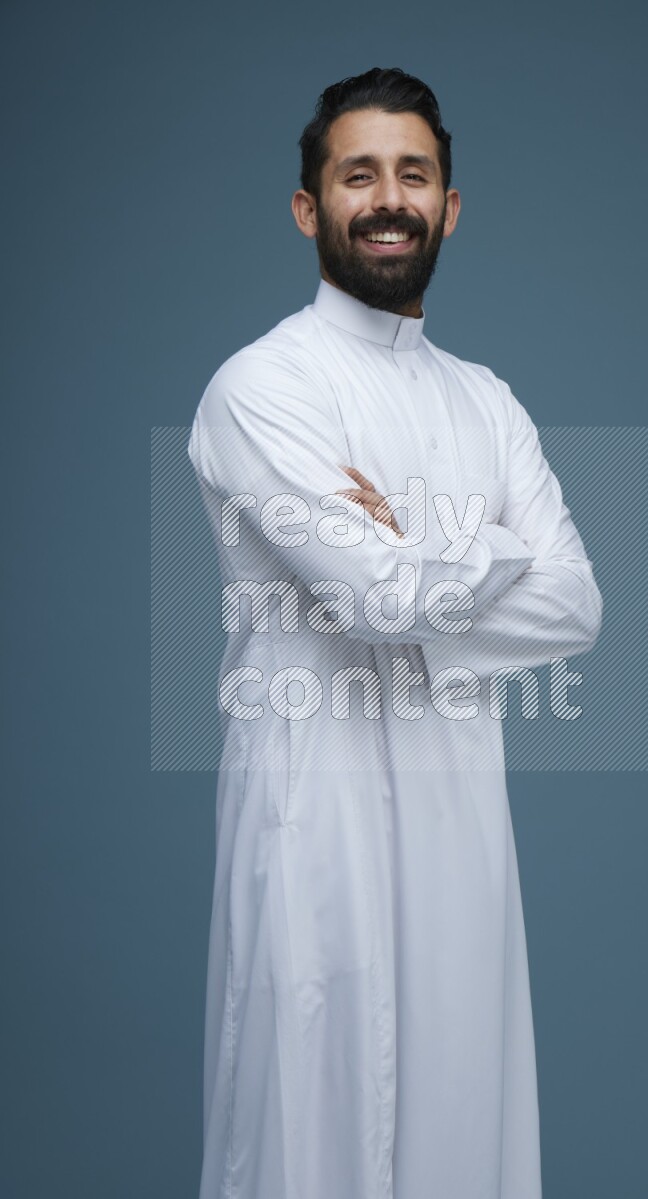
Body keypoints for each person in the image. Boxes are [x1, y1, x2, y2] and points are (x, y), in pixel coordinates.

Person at [187, 66, 602, 1199]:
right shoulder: (260, 387)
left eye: (411, 174)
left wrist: (409, 549)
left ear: (447, 206)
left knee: (460, 1121)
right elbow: (374, 598)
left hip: (459, 819)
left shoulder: (487, 400)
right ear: (307, 206)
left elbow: (575, 602)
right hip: (308, 810)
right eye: (355, 173)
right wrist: (471, 556)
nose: (386, 197)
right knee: (305, 1121)